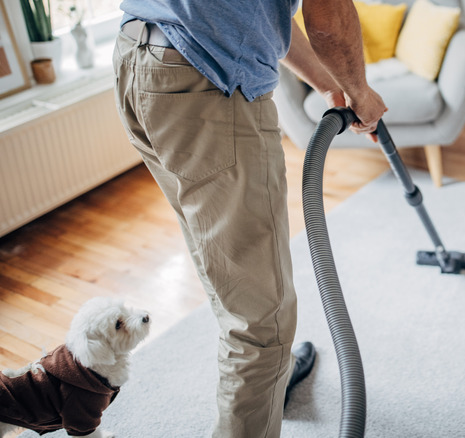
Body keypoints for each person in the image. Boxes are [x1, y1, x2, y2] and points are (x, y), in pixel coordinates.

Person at [112, 1, 387, 437]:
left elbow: (263, 11)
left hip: (142, 62)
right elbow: (329, 19)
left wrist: (328, 83)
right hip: (209, 83)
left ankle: (268, 379)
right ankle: (265, 364)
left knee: (228, 267)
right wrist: (361, 90)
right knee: (261, 322)